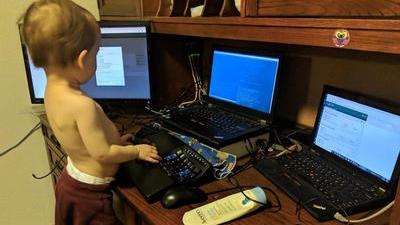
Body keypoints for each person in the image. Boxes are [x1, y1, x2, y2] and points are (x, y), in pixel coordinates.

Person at [19, 0, 161, 224]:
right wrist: (136, 151)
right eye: (96, 56)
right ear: (83, 59)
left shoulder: (51, 92)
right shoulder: (82, 105)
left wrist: (117, 141)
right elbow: (103, 154)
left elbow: (84, 142)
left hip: (72, 179)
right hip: (90, 194)